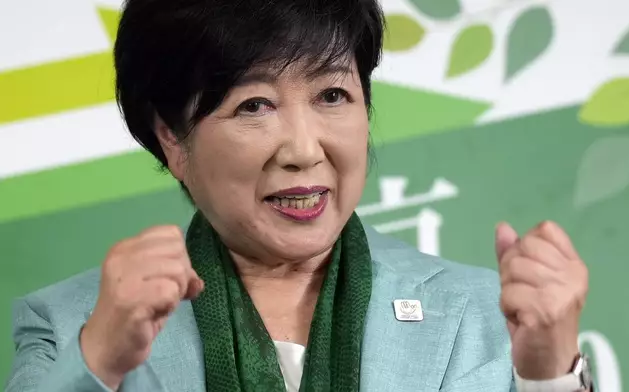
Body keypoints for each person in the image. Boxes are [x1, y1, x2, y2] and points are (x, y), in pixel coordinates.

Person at [4, 0, 593, 391]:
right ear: (171, 139)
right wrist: (102, 357)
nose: (303, 150)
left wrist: (549, 378)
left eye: (332, 95)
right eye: (253, 105)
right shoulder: (71, 327)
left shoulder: (487, 315)